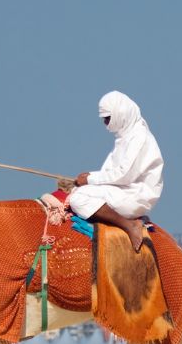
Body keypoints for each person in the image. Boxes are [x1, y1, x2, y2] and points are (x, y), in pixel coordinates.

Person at [68, 91, 164, 252]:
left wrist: (90, 179)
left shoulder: (138, 137)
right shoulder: (126, 137)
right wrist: (88, 178)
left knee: (78, 199)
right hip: (123, 190)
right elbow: (113, 173)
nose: (106, 123)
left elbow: (124, 175)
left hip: (134, 195)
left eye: (108, 118)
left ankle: (129, 225)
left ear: (120, 114)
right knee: (78, 191)